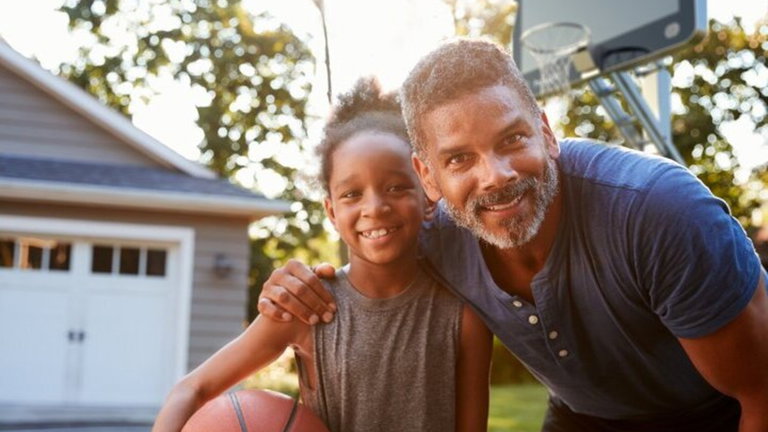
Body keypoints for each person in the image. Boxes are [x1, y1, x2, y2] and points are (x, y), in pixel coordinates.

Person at [259, 39, 768, 431]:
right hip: (588, 417)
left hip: (717, 413)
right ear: (427, 177)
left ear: (546, 132)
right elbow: (360, 264)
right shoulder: (430, 235)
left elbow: (760, 393)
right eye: (459, 158)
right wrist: (296, 285)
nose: (496, 174)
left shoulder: (657, 213)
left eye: (513, 138)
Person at [152, 77, 492, 432]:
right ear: (331, 212)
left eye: (395, 187)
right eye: (352, 195)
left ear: (427, 195)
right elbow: (191, 389)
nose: (374, 207)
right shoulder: (307, 306)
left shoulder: (464, 317)